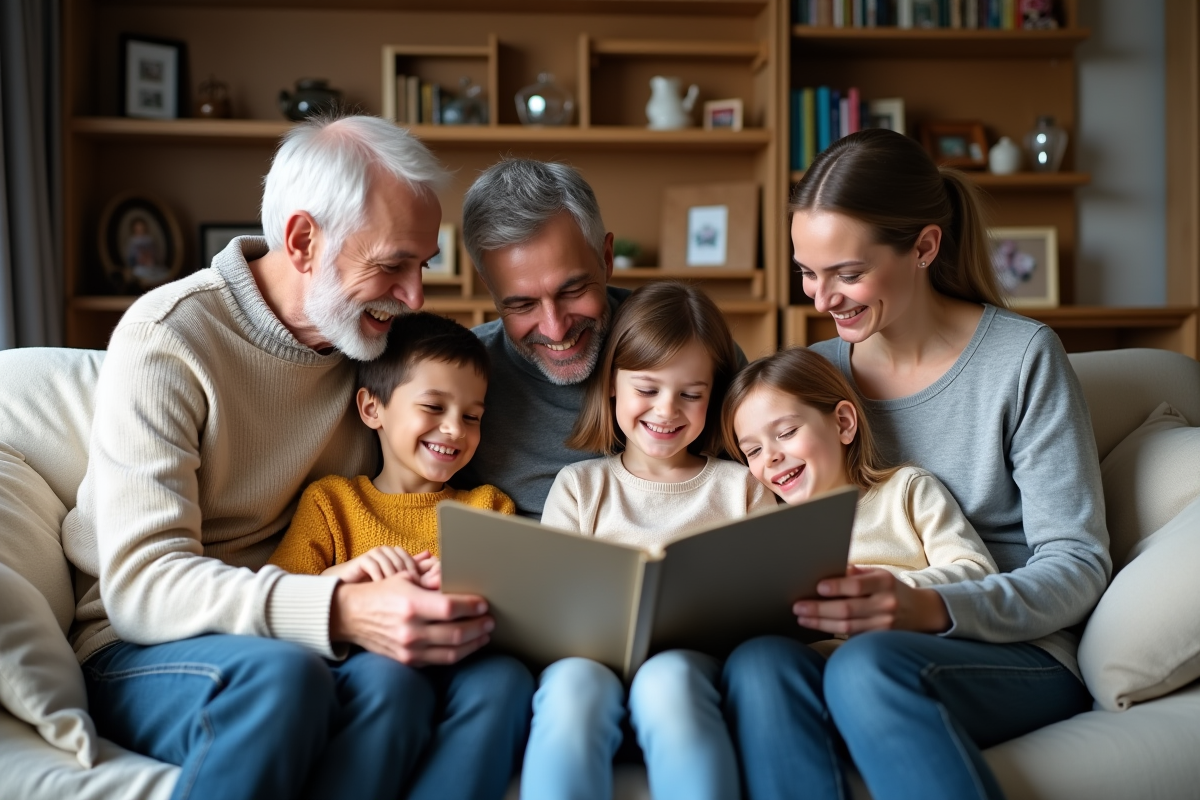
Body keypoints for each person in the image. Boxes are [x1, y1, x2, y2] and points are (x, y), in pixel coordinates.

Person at [61, 115, 532, 800]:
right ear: (304, 240)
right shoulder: (170, 337)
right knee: (282, 680)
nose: (414, 296)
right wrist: (338, 607)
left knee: (398, 682)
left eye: (421, 264)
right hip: (147, 648)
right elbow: (142, 587)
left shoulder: (370, 341)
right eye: (391, 265)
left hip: (296, 629)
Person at [720, 127, 1110, 800]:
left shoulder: (1021, 359)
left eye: (847, 274)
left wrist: (928, 606)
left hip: (1012, 650)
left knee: (866, 668)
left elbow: (1077, 564)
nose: (820, 298)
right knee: (758, 666)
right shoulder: (813, 378)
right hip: (844, 643)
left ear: (924, 247)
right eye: (807, 273)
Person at [528, 281, 775, 800]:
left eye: (690, 395)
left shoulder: (741, 488)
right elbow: (549, 607)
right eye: (647, 389)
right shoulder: (580, 487)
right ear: (613, 385)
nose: (666, 412)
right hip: (591, 665)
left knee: (670, 679)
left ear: (715, 396)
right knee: (571, 688)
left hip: (693, 668)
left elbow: (764, 606)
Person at [457, 158, 746, 518]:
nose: (555, 328)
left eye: (573, 290)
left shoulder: (687, 348)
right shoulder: (459, 376)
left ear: (606, 258)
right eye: (523, 304)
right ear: (490, 288)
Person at [722, 347, 997, 653]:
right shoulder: (770, 525)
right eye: (753, 451)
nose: (771, 456)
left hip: (895, 649)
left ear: (843, 423)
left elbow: (978, 571)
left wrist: (900, 591)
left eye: (786, 432)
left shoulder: (906, 491)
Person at [268, 311, 516, 580]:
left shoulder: (489, 509)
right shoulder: (331, 504)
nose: (456, 429)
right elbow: (279, 595)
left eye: (471, 417)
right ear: (372, 409)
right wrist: (343, 577)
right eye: (433, 407)